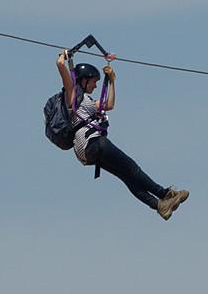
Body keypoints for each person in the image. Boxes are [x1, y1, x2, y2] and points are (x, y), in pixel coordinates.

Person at [55, 49, 188, 219]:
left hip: (87, 153)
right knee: (132, 167)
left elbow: (109, 104)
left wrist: (111, 81)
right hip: (93, 143)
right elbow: (61, 67)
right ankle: (165, 195)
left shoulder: (86, 101)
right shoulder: (72, 95)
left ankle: (158, 206)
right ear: (83, 80)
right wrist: (64, 56)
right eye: (93, 82)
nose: (95, 85)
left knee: (127, 176)